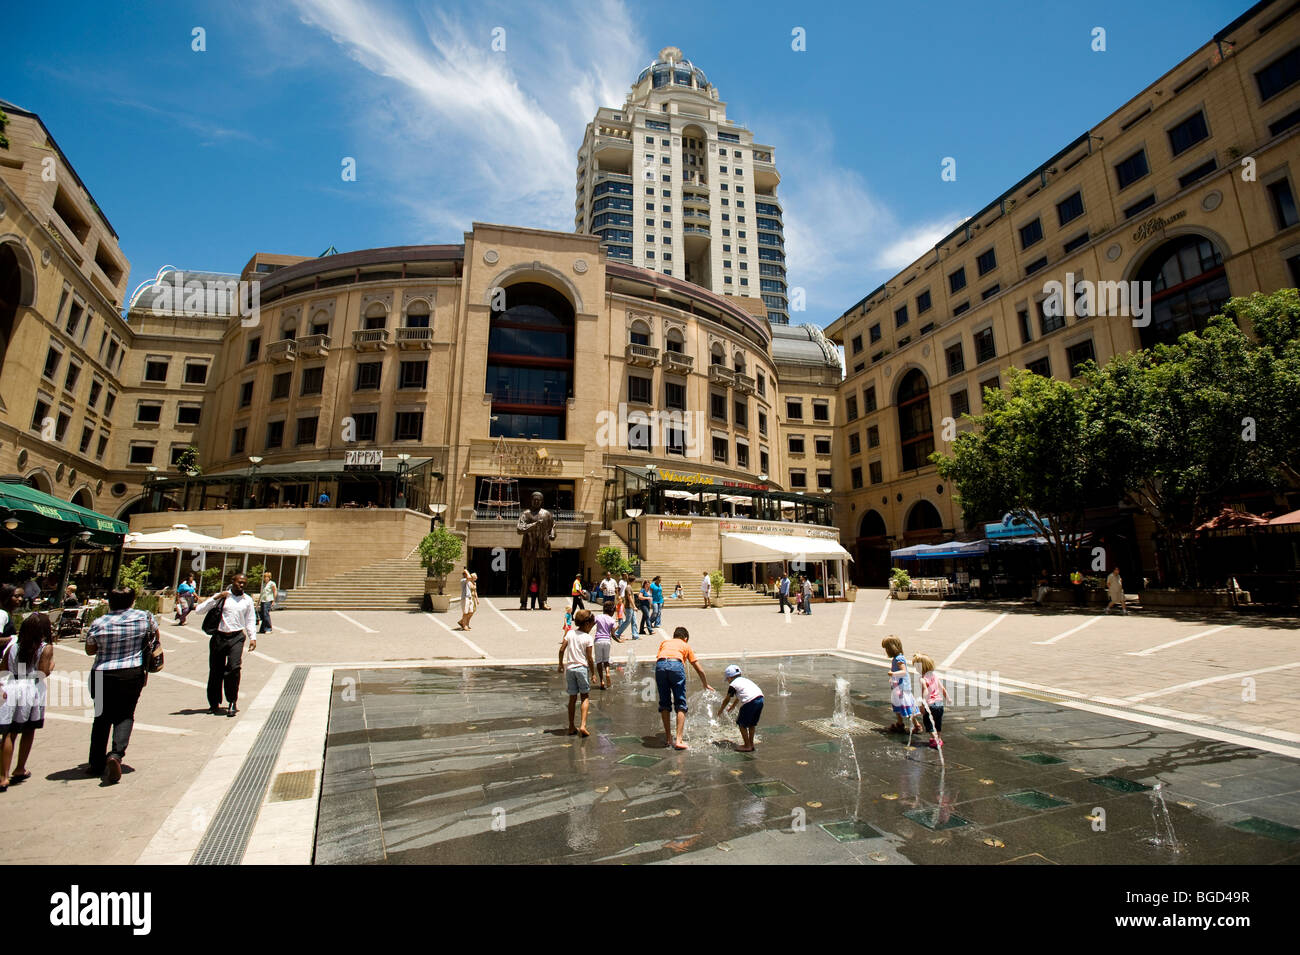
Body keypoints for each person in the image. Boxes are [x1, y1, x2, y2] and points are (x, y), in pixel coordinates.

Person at [84, 587, 158, 783]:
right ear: (132, 601)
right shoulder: (145, 618)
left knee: (101, 717)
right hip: (130, 672)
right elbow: (155, 638)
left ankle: (96, 762)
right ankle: (116, 755)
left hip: (101, 673)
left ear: (110, 601)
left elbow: (90, 650)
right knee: (125, 715)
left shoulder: (99, 622)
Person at [0, 612, 55, 791]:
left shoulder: (13, 646)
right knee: (29, 729)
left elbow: (3, 668)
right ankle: (20, 768)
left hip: (12, 686)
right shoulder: (45, 648)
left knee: (9, 732)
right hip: (32, 689)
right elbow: (43, 672)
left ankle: (3, 776)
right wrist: (52, 665)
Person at [193, 574, 257, 717]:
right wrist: (216, 597)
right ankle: (214, 703)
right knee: (216, 671)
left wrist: (253, 637)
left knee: (234, 669)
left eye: (244, 583)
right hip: (219, 637)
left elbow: (250, 619)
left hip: (236, 637)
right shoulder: (222, 597)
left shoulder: (247, 600)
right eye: (239, 582)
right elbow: (199, 610)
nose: (242, 585)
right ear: (233, 582)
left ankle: (232, 701)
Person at [655, 626, 712, 750]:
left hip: (660, 665)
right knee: (680, 702)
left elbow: (662, 658)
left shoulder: (665, 642)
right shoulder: (685, 645)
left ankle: (669, 738)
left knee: (664, 702)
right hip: (676, 664)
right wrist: (705, 684)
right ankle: (679, 740)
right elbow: (699, 668)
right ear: (685, 638)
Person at [558, 608, 596, 737]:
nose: (591, 627)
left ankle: (570, 726)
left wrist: (560, 664)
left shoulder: (570, 634)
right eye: (591, 624)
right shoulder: (588, 638)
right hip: (581, 668)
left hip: (570, 669)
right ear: (586, 624)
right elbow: (590, 658)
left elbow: (561, 649)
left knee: (572, 698)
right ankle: (583, 725)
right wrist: (593, 673)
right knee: (585, 696)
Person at [516, 491, 556, 610]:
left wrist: (552, 535)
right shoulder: (526, 514)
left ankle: (543, 601)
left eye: (539, 500)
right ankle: (523, 603)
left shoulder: (547, 514)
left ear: (542, 501)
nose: (536, 501)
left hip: (543, 551)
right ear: (531, 500)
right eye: (534, 499)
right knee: (526, 577)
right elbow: (519, 529)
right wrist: (534, 525)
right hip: (528, 551)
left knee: (543, 578)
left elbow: (552, 528)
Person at [882, 635, 923, 735]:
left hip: (902, 688)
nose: (886, 651)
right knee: (897, 704)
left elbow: (903, 672)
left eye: (887, 648)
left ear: (892, 648)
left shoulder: (899, 659)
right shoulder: (896, 658)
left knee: (906, 706)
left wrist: (893, 674)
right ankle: (900, 724)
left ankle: (917, 725)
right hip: (897, 686)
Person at [717, 664, 763, 753]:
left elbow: (727, 699)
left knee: (741, 724)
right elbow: (740, 695)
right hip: (760, 699)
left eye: (727, 680)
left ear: (730, 678)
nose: (728, 682)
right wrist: (733, 706)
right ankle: (751, 744)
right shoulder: (744, 681)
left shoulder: (733, 685)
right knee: (752, 724)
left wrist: (721, 710)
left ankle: (747, 745)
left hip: (749, 702)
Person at [913, 653, 953, 749]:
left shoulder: (922, 679)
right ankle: (938, 739)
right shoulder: (934, 676)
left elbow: (925, 691)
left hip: (930, 705)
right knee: (938, 722)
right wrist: (948, 698)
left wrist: (922, 704)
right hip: (939, 704)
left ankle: (934, 738)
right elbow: (942, 688)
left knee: (928, 723)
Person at [592, 600, 618, 689]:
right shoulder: (612, 620)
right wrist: (619, 640)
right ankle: (607, 673)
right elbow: (613, 634)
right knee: (606, 660)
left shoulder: (598, 617)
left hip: (598, 640)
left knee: (599, 661)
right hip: (607, 641)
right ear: (612, 611)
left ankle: (602, 681)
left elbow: (591, 624)